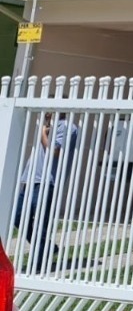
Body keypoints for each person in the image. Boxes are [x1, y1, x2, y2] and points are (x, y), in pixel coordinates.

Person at [13, 111, 78, 272]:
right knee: (17, 216)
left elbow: (54, 152)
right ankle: (47, 247)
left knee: (41, 223)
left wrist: (43, 133)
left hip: (46, 182)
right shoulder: (48, 127)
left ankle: (36, 266)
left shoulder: (69, 128)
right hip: (30, 180)